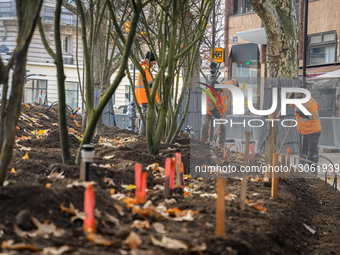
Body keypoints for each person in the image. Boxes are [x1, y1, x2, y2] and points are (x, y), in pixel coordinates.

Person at [200, 78, 238, 148]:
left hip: (222, 110)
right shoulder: (208, 94)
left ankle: (221, 143)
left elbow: (235, 81)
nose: (213, 93)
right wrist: (219, 117)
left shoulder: (226, 86)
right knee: (205, 123)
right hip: (209, 110)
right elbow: (212, 109)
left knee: (222, 126)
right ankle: (204, 141)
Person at [294, 92, 322, 173]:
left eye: (297, 94)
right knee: (304, 152)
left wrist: (300, 111)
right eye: (295, 94)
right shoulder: (299, 101)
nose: (296, 96)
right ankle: (303, 170)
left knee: (312, 152)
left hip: (313, 131)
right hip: (304, 131)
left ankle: (313, 171)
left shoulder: (312, 103)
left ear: (303, 94)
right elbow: (289, 104)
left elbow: (311, 115)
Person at [136, 52, 159, 136]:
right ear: (149, 60)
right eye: (153, 61)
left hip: (146, 99)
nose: (154, 63)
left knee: (151, 120)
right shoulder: (146, 69)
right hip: (147, 99)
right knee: (148, 120)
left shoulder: (144, 68)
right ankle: (143, 138)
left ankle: (148, 138)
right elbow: (151, 84)